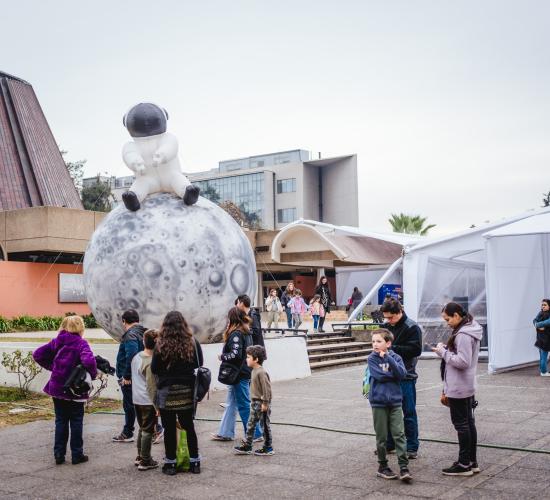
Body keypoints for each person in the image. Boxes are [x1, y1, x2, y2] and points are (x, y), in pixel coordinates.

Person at [33, 315, 97, 465]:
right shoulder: (81, 344)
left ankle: (59, 454)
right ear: (81, 327)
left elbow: (37, 354)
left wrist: (54, 368)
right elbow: (89, 361)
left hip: (57, 387)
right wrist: (92, 374)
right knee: (76, 420)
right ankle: (77, 454)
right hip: (75, 388)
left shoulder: (57, 341)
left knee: (60, 421)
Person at [433, 302, 482, 476]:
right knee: (468, 423)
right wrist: (447, 349)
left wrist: (442, 352)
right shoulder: (471, 328)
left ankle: (463, 464)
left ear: (456, 316)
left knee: (462, 425)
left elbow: (462, 362)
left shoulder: (462, 334)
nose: (447, 323)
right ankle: (471, 461)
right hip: (466, 385)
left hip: (458, 386)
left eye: (447, 319)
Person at [151, 311, 203, 475]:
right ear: (183, 324)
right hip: (187, 391)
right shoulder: (192, 342)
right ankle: (195, 463)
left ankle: (171, 463)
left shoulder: (160, 344)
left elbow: (154, 368)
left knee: (169, 428)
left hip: (167, 392)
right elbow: (199, 362)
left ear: (165, 326)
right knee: (188, 427)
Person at [211, 307, 262, 443]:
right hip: (243, 372)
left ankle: (255, 434)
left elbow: (235, 354)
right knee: (232, 403)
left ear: (232, 319)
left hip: (238, 374)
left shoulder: (236, 334)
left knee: (244, 405)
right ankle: (226, 432)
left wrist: (222, 357)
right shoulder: (246, 332)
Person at [379, 298, 422, 458]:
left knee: (408, 412)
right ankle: (390, 444)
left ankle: (411, 447)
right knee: (388, 411)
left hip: (406, 376)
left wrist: (391, 349)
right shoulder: (385, 326)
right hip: (387, 375)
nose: (388, 321)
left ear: (399, 312)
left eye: (391, 317)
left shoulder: (412, 327)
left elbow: (416, 350)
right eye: (386, 318)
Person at [367, 329, 412, 482]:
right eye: (373, 341)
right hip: (378, 402)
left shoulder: (396, 357)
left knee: (399, 434)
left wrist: (388, 358)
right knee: (381, 437)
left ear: (388, 343)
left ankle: (404, 467)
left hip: (395, 402)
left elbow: (402, 374)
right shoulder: (371, 359)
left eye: (378, 341)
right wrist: (393, 375)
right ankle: (382, 466)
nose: (375, 344)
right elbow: (378, 375)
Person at [113, 309, 146, 443]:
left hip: (130, 378)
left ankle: (128, 432)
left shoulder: (130, 335)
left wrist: (126, 376)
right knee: (140, 405)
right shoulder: (144, 333)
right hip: (141, 375)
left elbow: (131, 356)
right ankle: (155, 428)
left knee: (130, 405)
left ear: (124, 321)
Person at [234, 345, 274, 456]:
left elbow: (267, 389)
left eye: (248, 357)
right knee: (251, 424)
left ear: (256, 359)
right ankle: (248, 445)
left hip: (261, 404)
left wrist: (265, 403)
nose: (246, 359)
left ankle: (268, 447)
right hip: (255, 403)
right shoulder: (253, 371)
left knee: (264, 426)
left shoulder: (261, 372)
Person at [131, 329, 159, 471]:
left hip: (136, 399)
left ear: (143, 341)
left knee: (142, 428)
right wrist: (157, 406)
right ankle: (146, 460)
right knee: (148, 430)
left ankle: (140, 456)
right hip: (148, 401)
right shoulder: (150, 362)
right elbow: (151, 386)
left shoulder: (137, 357)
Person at [533, 299, 550, 376]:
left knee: (543, 355)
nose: (543, 306)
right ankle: (543, 372)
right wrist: (538, 325)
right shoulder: (540, 313)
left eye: (545, 305)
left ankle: (543, 371)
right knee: (543, 356)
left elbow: (547, 322)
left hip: (546, 338)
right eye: (542, 305)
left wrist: (538, 325)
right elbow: (534, 320)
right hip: (543, 339)